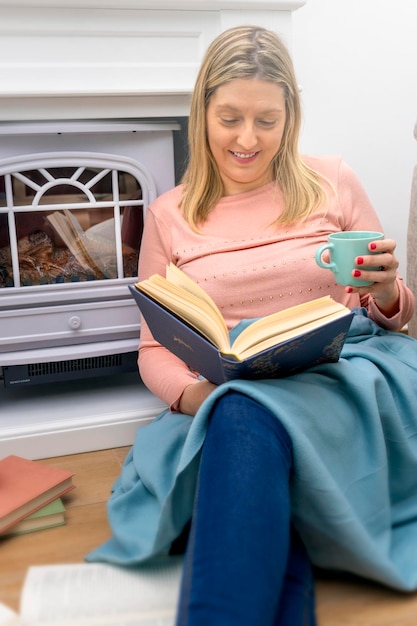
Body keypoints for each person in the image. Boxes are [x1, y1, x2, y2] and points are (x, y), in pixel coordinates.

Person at [87, 25, 417, 625]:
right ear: (202, 113)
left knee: (242, 435)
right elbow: (153, 347)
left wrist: (388, 290)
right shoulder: (168, 216)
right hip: (226, 389)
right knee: (248, 434)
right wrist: (196, 394)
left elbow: (388, 312)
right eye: (230, 117)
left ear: (291, 116)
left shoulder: (333, 179)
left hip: (338, 376)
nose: (247, 139)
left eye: (268, 120)